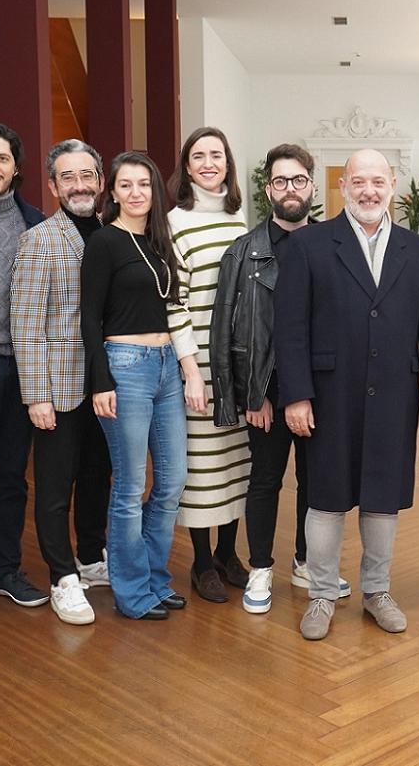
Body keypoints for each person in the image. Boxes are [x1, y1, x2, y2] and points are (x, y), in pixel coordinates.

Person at [275, 148, 419, 640]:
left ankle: (377, 591)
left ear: (392, 185)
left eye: (378, 182)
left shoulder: (418, 250)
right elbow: (289, 329)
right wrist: (296, 395)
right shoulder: (308, 245)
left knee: (382, 496)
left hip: (395, 394)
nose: (369, 191)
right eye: (359, 182)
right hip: (328, 394)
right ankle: (320, 594)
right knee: (325, 496)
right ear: (343, 187)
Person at [212, 143, 350, 614]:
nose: (290, 189)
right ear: (268, 189)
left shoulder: (335, 246)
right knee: (266, 479)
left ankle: (307, 563)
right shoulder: (243, 251)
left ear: (312, 187)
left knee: (316, 481)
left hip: (322, 387)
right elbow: (226, 328)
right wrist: (250, 394)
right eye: (280, 181)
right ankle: (260, 568)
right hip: (267, 390)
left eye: (298, 180)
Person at [81, 151, 203, 620]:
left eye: (144, 184)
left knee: (172, 481)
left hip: (167, 366)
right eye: (126, 185)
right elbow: (90, 317)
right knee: (131, 486)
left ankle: (154, 578)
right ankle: (132, 592)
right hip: (125, 365)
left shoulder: (159, 240)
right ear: (112, 192)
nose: (136, 193)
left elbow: (174, 307)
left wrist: (186, 366)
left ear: (155, 189)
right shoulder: (104, 242)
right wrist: (101, 381)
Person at [10, 139, 112, 625]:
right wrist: (37, 396)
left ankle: (91, 557)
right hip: (60, 386)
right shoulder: (39, 240)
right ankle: (62, 577)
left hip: (107, 384)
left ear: (101, 181)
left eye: (86, 175)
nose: (79, 184)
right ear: (52, 186)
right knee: (54, 488)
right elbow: (26, 324)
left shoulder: (114, 233)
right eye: (67, 177)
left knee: (97, 477)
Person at [166, 127, 250, 603]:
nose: (208, 163)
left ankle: (227, 553)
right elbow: (173, 302)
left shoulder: (240, 219)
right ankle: (200, 562)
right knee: (202, 466)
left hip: (236, 362)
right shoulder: (175, 222)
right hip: (198, 360)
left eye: (217, 155)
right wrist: (191, 370)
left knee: (237, 460)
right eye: (198, 156)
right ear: (187, 166)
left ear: (228, 163)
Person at [0, 122, 48, 620]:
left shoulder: (35, 223)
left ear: (16, 167)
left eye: (1, 158)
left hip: (23, 366)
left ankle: (8, 572)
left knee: (15, 476)